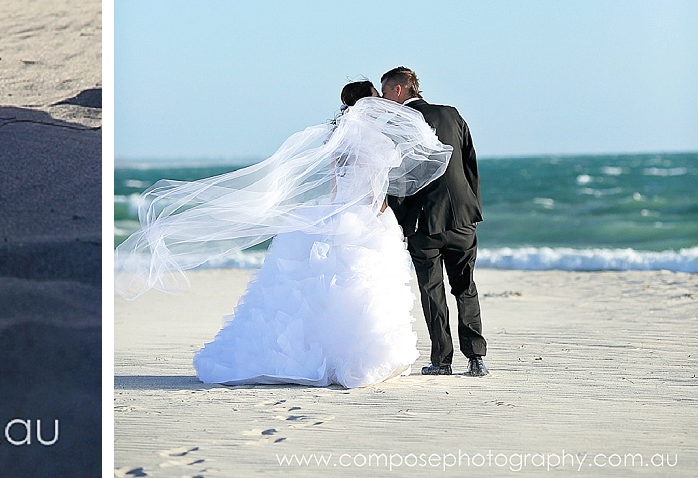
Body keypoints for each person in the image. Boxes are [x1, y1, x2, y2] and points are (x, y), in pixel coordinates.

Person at [115, 82, 452, 389]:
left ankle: (317, 355)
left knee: (323, 288)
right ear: (369, 104)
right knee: (358, 287)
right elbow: (376, 192)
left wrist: (342, 207)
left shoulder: (337, 138)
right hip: (363, 216)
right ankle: (354, 357)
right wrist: (380, 216)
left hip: (335, 210)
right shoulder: (376, 141)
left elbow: (337, 185)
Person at [382, 66, 487, 376]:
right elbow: (469, 162)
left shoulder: (400, 123)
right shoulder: (452, 114)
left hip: (423, 222)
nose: (384, 98)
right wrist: (472, 206)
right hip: (462, 218)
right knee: (466, 287)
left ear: (399, 91)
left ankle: (442, 362)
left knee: (433, 293)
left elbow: (397, 177)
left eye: (385, 92)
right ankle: (476, 358)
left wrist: (400, 222)